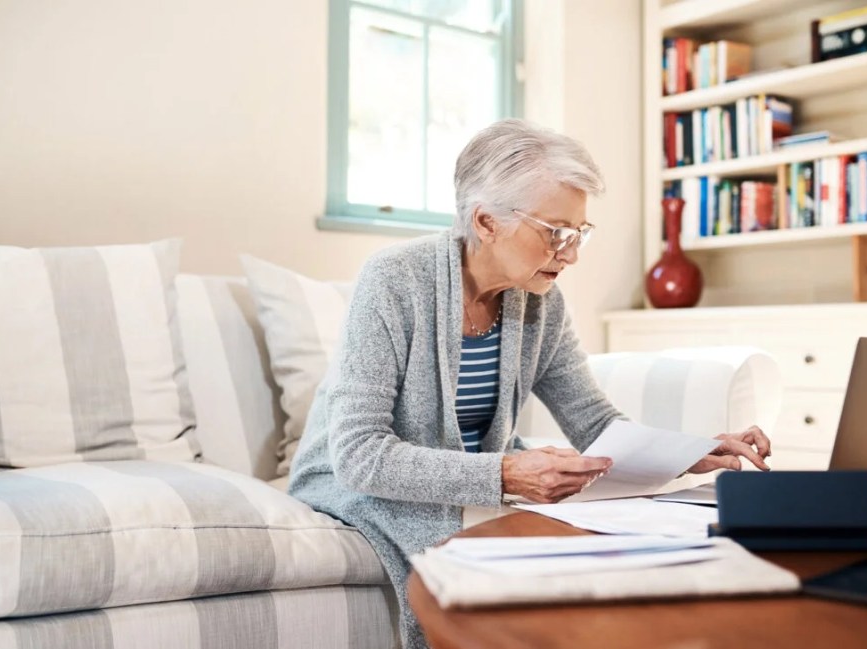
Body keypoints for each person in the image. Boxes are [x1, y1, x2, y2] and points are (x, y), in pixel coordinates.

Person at [288, 118, 772, 648]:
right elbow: (360, 456)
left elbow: (594, 422)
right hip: (354, 478)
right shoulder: (393, 280)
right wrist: (506, 473)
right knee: (493, 570)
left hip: (474, 472)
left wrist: (690, 450)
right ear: (486, 221)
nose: (572, 254)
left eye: (579, 233)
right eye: (556, 233)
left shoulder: (542, 301)